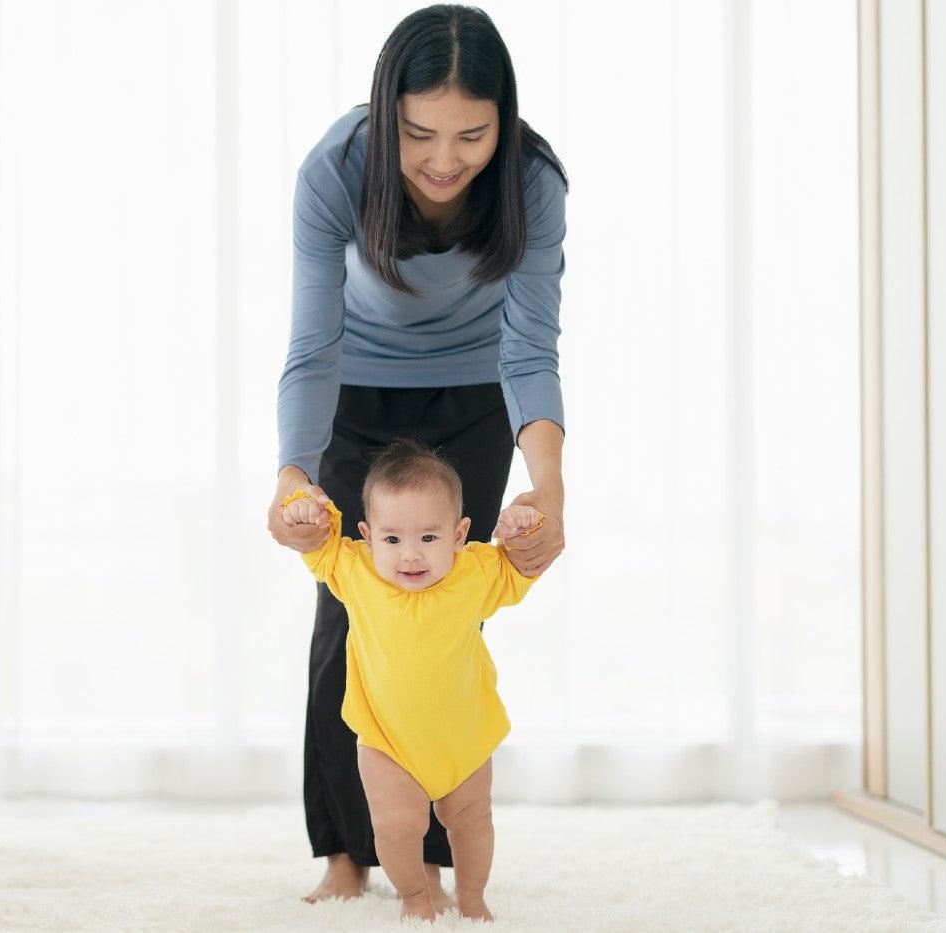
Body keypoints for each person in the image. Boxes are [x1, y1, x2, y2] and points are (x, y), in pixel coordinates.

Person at [265, 3, 570, 910]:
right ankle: (345, 850)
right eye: (419, 134)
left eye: (472, 134)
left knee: (446, 612)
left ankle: (429, 853)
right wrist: (293, 472)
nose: (445, 159)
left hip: (478, 392)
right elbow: (313, 342)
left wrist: (548, 484)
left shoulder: (533, 181)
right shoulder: (337, 170)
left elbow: (531, 350)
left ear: (503, 121)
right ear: (383, 112)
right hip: (356, 390)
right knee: (349, 615)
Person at [281, 438, 542, 922]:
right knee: (396, 826)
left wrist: (525, 528)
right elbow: (319, 542)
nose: (410, 556)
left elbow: (522, 564)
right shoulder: (355, 569)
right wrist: (303, 509)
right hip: (386, 740)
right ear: (368, 534)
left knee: (473, 824)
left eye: (429, 537)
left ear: (460, 534)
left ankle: (472, 898)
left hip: (464, 738)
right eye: (393, 538)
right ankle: (414, 897)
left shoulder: (476, 571)